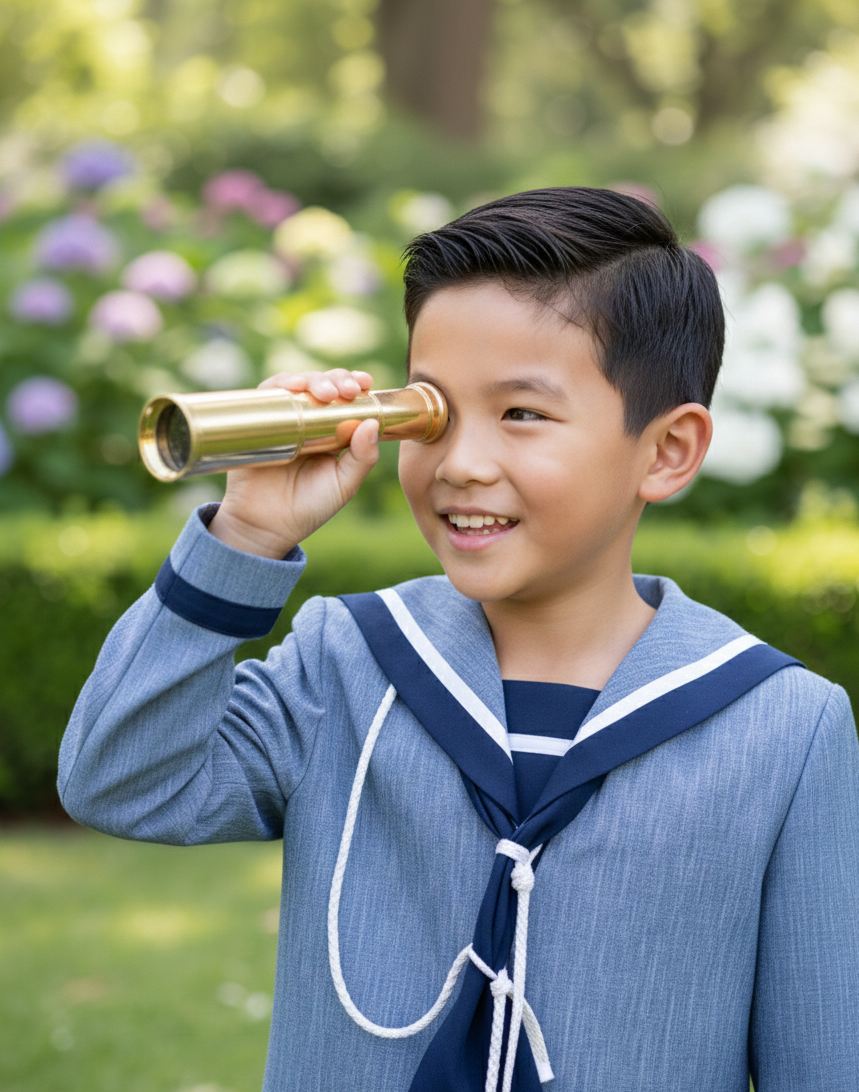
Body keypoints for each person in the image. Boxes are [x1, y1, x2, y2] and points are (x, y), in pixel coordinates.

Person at [59, 188, 859, 1092]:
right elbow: (121, 779)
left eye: (522, 414)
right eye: (430, 413)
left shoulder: (780, 728)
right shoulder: (348, 662)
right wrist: (247, 535)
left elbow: (820, 1061)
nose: (461, 462)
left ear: (667, 451)